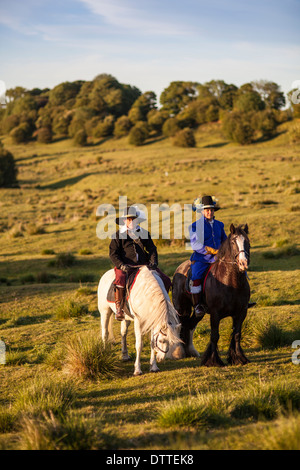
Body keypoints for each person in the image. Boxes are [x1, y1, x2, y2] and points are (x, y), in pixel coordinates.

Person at [109, 206, 159, 321]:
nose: (131, 221)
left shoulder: (144, 233)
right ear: (124, 221)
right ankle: (119, 308)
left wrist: (154, 262)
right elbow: (113, 254)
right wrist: (121, 265)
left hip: (144, 265)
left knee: (164, 279)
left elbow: (152, 249)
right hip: (125, 266)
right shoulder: (117, 235)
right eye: (128, 219)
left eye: (133, 219)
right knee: (120, 279)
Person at [189, 195, 227, 319]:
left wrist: (225, 250)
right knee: (195, 277)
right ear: (202, 212)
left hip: (219, 258)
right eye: (207, 210)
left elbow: (225, 241)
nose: (209, 212)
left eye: (211, 209)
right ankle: (197, 305)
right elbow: (195, 244)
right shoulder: (195, 226)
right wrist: (211, 250)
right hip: (202, 259)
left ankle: (239, 300)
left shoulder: (220, 225)